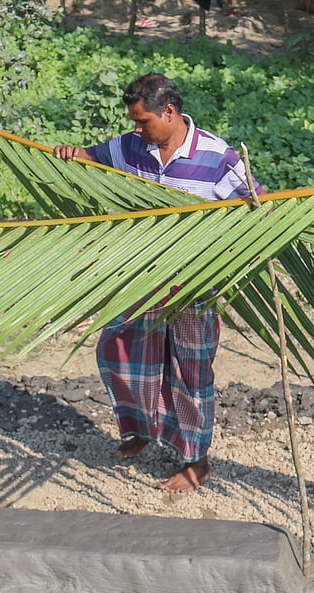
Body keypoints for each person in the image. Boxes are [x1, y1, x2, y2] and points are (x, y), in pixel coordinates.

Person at [53, 72, 262, 493]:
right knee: (121, 352)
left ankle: (195, 461)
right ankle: (141, 430)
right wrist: (73, 153)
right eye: (133, 121)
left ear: (170, 112)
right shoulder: (132, 147)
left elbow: (254, 208)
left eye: (143, 120)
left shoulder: (216, 157)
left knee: (190, 371)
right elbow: (94, 156)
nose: (137, 129)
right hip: (142, 277)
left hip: (194, 284)